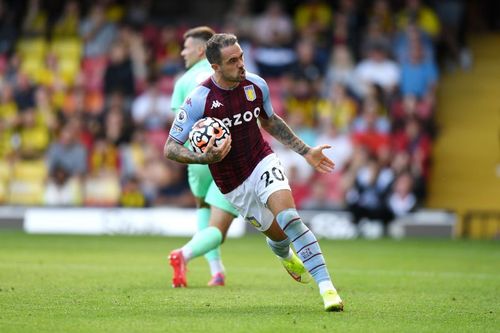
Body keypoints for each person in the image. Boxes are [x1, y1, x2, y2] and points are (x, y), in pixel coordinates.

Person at [164, 33, 343, 312]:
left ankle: (327, 289)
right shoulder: (199, 99)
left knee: (290, 219)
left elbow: (269, 121)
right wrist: (203, 157)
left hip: (262, 162)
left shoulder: (256, 84)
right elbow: (171, 148)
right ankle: (285, 255)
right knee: (280, 237)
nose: (241, 64)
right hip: (233, 184)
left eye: (241, 57)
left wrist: (306, 151)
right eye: (232, 61)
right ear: (216, 67)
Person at [168, 26, 239, 288]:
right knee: (218, 226)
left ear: (200, 50)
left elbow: (180, 124)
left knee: (203, 208)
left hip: (197, 159)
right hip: (227, 155)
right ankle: (184, 255)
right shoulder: (226, 72)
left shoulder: (183, 82)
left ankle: (217, 271)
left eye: (186, 47)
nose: (182, 52)